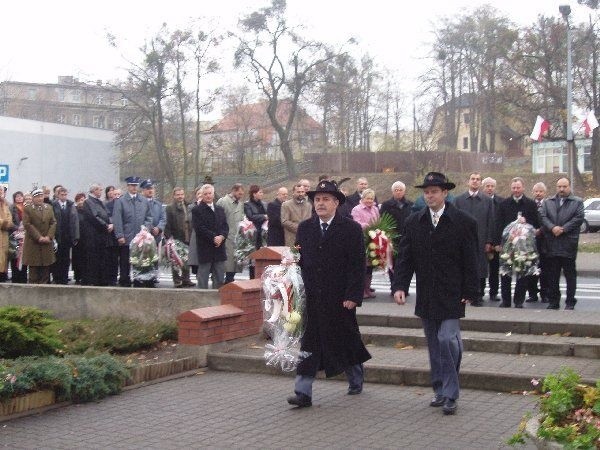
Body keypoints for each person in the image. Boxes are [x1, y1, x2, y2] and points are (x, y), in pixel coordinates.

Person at [392, 172, 478, 416]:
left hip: (453, 293)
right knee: (434, 343)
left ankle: (451, 393)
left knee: (447, 339)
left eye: (434, 191)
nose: (430, 195)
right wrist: (400, 286)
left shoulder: (463, 221)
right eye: (426, 192)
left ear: (445, 193)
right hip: (427, 294)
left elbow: (471, 260)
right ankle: (440, 389)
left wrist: (471, 290)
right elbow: (406, 259)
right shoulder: (414, 221)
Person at [287, 180, 371, 408]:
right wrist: (289, 273)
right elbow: (298, 258)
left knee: (346, 339)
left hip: (340, 298)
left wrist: (353, 295)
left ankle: (356, 377)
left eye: (325, 199)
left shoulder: (351, 228)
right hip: (313, 297)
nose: (320, 203)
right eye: (317, 199)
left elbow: (357, 265)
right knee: (309, 343)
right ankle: (302, 392)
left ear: (336, 203)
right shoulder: (305, 228)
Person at [540, 177, 585, 310]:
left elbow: (579, 218)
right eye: (559, 186)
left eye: (564, 187)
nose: (561, 189)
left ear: (569, 187)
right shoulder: (548, 202)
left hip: (568, 244)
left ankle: (570, 302)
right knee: (552, 276)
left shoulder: (577, 202)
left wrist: (563, 229)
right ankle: (553, 301)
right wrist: (552, 227)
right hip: (552, 244)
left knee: (570, 276)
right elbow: (543, 217)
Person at [496, 177, 540, 308]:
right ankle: (506, 301)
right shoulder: (504, 204)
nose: (516, 190)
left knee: (522, 273)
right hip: (507, 245)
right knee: (505, 272)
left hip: (524, 246)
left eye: (518, 187)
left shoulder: (531, 204)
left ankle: (519, 301)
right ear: (511, 188)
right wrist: (497, 242)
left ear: (523, 188)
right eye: (514, 188)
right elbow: (498, 224)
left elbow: (536, 225)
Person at [454, 172, 494, 306]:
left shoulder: (487, 200)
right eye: (473, 179)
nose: (475, 181)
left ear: (481, 182)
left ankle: (478, 294)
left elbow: (490, 221)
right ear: (468, 181)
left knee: (480, 268)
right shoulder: (459, 200)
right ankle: (463, 294)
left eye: (478, 179)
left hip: (481, 239)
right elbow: (454, 220)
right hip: (462, 239)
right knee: (462, 266)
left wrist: (489, 241)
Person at [111, 176, 152, 287]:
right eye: (132, 185)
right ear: (128, 186)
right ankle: (124, 280)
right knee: (125, 260)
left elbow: (149, 217)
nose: (134, 188)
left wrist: (146, 229)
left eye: (135, 185)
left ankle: (139, 279)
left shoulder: (143, 201)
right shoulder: (121, 201)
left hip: (140, 237)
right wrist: (120, 235)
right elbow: (117, 219)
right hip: (127, 236)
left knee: (140, 260)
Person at [192, 184, 228, 289]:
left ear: (213, 194)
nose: (208, 196)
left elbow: (225, 226)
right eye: (205, 194)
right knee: (203, 278)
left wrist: (221, 236)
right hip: (205, 248)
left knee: (220, 278)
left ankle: (218, 302)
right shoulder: (197, 210)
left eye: (210, 193)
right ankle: (202, 302)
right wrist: (213, 237)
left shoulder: (220, 209)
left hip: (219, 248)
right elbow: (199, 228)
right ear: (202, 195)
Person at [380, 181, 413, 295]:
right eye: (396, 190)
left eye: (400, 190)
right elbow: (383, 220)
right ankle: (394, 287)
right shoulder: (386, 205)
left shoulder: (410, 205)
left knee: (405, 263)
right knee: (392, 264)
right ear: (392, 191)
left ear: (404, 191)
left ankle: (404, 288)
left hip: (406, 237)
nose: (398, 192)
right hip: (392, 238)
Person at [22, 189, 57, 284]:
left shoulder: (48, 207)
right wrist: (39, 237)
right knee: (34, 271)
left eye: (41, 196)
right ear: (33, 198)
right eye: (37, 197)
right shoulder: (28, 208)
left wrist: (49, 237)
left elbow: (53, 222)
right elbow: (27, 224)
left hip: (46, 243)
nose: (40, 198)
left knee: (45, 270)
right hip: (33, 243)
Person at [82, 183, 113, 286]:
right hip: (94, 236)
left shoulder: (100, 202)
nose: (101, 191)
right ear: (94, 190)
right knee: (93, 259)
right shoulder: (88, 202)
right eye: (99, 190)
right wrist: (106, 225)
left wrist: (111, 223)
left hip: (102, 236)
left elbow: (107, 214)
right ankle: (93, 280)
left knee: (102, 258)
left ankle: (102, 279)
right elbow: (93, 217)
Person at [351, 188, 380, 299]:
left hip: (372, 240)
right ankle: (361, 290)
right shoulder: (356, 209)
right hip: (361, 239)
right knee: (362, 267)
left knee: (370, 267)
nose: (370, 201)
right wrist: (367, 226)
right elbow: (355, 223)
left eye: (372, 199)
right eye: (368, 198)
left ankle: (368, 289)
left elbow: (378, 221)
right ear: (363, 198)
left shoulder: (375, 209)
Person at [164, 187, 195, 288]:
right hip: (176, 237)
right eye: (178, 195)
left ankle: (186, 279)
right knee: (176, 260)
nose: (180, 196)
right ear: (174, 196)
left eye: (181, 194)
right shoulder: (169, 208)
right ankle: (177, 280)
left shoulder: (189, 206)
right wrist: (169, 238)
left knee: (186, 258)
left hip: (188, 236)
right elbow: (167, 224)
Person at [216, 183, 245, 284]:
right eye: (239, 193)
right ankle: (221, 280)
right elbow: (217, 219)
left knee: (234, 260)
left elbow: (241, 218)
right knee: (226, 261)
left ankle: (230, 279)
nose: (241, 196)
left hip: (236, 237)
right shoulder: (223, 201)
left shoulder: (240, 204)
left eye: (242, 194)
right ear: (234, 191)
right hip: (225, 235)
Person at [51, 187, 79, 284]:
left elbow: (75, 221)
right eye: (62, 195)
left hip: (67, 236)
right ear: (58, 195)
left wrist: (75, 236)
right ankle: (57, 277)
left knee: (66, 258)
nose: (64, 196)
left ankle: (64, 277)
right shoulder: (53, 205)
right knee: (57, 257)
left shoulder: (70, 205)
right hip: (57, 235)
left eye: (65, 194)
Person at [482, 177, 503, 301]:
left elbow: (500, 224)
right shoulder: (479, 201)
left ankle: (493, 292)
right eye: (487, 186)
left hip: (496, 242)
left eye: (492, 186)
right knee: (480, 268)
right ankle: (479, 291)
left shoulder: (501, 202)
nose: (490, 188)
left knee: (494, 269)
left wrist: (496, 242)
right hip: (481, 241)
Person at [527, 182, 548, 303]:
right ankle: (532, 293)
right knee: (531, 269)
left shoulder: (549, 204)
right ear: (533, 192)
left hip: (545, 242)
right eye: (536, 191)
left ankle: (545, 293)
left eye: (541, 191)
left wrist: (541, 230)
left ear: (545, 192)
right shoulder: (530, 205)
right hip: (531, 242)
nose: (538, 193)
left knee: (544, 270)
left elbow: (551, 220)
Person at [244, 185, 268, 279]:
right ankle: (252, 277)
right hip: (253, 233)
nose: (262, 194)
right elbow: (250, 216)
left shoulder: (264, 204)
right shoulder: (248, 204)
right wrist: (263, 217)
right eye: (260, 192)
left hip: (263, 234)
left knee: (262, 256)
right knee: (253, 257)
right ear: (254, 194)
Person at [9, 191, 28, 283]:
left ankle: (23, 278)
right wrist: (17, 228)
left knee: (24, 257)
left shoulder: (26, 207)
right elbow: (10, 221)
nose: (19, 198)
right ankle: (15, 278)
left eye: (21, 196)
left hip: (25, 235)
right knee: (15, 256)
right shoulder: (12, 208)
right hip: (15, 236)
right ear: (14, 198)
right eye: (17, 196)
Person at [71, 192, 88, 285]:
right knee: (77, 258)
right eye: (81, 200)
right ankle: (77, 276)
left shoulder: (87, 211)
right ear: (77, 201)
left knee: (85, 258)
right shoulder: (74, 210)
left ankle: (85, 276)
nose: (82, 202)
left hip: (86, 238)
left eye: (84, 199)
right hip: (77, 238)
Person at [0, 186, 14, 282]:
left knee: (3, 257)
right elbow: (5, 222)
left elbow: (10, 221)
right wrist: (4, 223)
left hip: (4, 236)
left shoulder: (5, 205)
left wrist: (6, 223)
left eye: (1, 191)